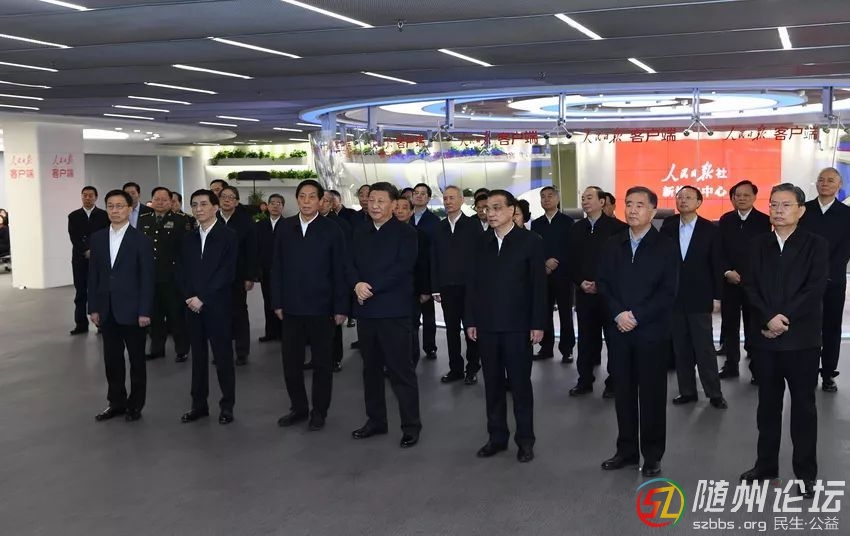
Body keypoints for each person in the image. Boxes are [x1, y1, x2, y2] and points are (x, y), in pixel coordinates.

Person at [739, 183, 828, 499]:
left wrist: (783, 319)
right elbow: (749, 287)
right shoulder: (757, 245)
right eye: (774, 204)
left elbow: (814, 288)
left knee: (803, 408)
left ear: (801, 210)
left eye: (786, 205)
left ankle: (806, 474)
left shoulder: (815, 244)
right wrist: (768, 319)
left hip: (801, 340)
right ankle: (765, 465)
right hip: (765, 339)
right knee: (767, 406)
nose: (778, 210)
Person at [597, 186, 678, 477]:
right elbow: (603, 283)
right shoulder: (613, 243)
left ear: (653, 211)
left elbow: (668, 291)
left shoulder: (666, 246)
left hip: (651, 332)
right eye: (629, 204)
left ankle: (652, 455)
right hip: (619, 331)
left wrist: (637, 315)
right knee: (624, 393)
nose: (632, 210)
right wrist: (619, 313)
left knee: (652, 396)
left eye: (640, 205)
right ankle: (627, 451)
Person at [465, 189, 546, 463]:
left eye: (497, 207)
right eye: (487, 208)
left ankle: (525, 440)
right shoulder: (480, 242)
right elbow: (471, 284)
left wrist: (537, 323)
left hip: (518, 326)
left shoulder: (530, 241)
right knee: (493, 385)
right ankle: (497, 437)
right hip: (486, 325)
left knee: (520, 386)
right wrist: (471, 319)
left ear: (512, 210)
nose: (490, 213)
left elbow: (538, 286)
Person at [272, 180, 349, 431]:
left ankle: (319, 411)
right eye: (302, 196)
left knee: (322, 365)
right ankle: (299, 408)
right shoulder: (285, 227)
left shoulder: (332, 229)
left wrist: (341, 307)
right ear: (297, 199)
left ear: (320, 201)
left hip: (322, 308)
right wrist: (277, 301)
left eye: (312, 197)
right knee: (291, 363)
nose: (306, 201)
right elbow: (276, 267)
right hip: (291, 308)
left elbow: (340, 270)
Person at [350, 182, 421, 449]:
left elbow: (402, 268)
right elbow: (349, 263)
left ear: (393, 204)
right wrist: (356, 283)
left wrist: (371, 288)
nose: (375, 205)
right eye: (371, 200)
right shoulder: (359, 231)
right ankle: (376, 421)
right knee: (370, 370)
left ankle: (411, 426)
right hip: (367, 311)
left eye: (381, 201)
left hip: (394, 311)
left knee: (401, 371)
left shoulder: (406, 233)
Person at [88, 189, 155, 422]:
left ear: (129, 209)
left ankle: (135, 404)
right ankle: (116, 402)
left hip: (134, 311)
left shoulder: (142, 240)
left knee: (136, 360)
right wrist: (93, 307)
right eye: (110, 206)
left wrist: (145, 310)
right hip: (107, 310)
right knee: (112, 360)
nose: (114, 210)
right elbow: (93, 276)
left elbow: (147, 279)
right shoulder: (97, 238)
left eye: (119, 206)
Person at [661, 186, 727, 409]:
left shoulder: (710, 230)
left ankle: (714, 393)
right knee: (680, 347)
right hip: (673, 297)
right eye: (680, 197)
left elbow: (717, 264)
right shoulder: (668, 227)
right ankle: (687, 391)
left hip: (700, 296)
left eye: (688, 197)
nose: (683, 200)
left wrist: (717, 296)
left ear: (699, 202)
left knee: (704, 347)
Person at [179, 189, 238, 425]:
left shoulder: (228, 236)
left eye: (204, 204)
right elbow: (181, 271)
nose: (198, 209)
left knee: (223, 357)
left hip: (217, 305)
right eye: (194, 205)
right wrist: (189, 297)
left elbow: (226, 272)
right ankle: (199, 405)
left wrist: (202, 297)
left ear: (215, 207)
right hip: (192, 306)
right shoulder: (188, 238)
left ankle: (227, 406)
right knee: (198, 358)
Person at [567, 186, 628, 398]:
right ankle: (584, 381)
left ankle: (614, 382)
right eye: (583, 198)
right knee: (585, 340)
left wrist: (601, 284)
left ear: (602, 202)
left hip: (610, 296)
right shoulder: (576, 228)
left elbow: (622, 264)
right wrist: (580, 281)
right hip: (584, 294)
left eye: (589, 197)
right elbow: (570, 260)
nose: (585, 201)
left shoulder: (619, 228)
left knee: (613, 340)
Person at [798, 167, 850, 393]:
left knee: (831, 327)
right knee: (805, 325)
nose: (825, 183)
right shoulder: (803, 210)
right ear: (816, 184)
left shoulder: (847, 214)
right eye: (821, 180)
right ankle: (805, 370)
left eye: (830, 180)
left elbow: (846, 249)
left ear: (839, 185)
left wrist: (826, 272)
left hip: (833, 279)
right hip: (804, 279)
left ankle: (828, 373)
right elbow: (797, 244)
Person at [718, 180, 772, 382]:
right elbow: (719, 250)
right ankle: (731, 364)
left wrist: (750, 276)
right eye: (737, 195)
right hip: (729, 281)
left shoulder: (764, 221)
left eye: (746, 195)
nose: (741, 198)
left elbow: (765, 253)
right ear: (732, 198)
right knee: (729, 325)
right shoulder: (725, 219)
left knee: (754, 325)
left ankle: (756, 368)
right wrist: (727, 271)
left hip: (753, 283)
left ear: (754, 197)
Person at [431, 185, 483, 385]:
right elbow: (433, 259)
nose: (448, 202)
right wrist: (435, 287)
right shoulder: (439, 227)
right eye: (445, 198)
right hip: (446, 287)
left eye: (452, 198)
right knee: (451, 330)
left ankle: (473, 368)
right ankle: (455, 369)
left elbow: (480, 258)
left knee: (471, 328)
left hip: (469, 287)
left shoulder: (473, 225)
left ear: (462, 200)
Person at [138, 187, 192, 363]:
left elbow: (186, 250)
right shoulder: (144, 219)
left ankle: (182, 349)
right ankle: (157, 349)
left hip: (172, 277)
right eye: (156, 199)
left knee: (176, 315)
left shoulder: (180, 220)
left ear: (171, 202)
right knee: (155, 315)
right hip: (151, 277)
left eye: (164, 199)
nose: (160, 202)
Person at [530, 186, 575, 362]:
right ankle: (546, 347)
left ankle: (567, 349)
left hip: (563, 274)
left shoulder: (568, 222)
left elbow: (571, 247)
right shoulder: (536, 223)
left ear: (557, 199)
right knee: (545, 312)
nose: (546, 199)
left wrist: (555, 261)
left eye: (550, 196)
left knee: (565, 314)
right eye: (543, 197)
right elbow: (535, 249)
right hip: (543, 275)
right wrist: (544, 263)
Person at [217, 185, 258, 366]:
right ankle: (221, 351)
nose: (227, 200)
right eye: (223, 197)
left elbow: (252, 251)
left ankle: (242, 351)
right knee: (218, 314)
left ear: (237, 202)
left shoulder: (245, 222)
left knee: (239, 313)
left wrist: (250, 276)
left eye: (231, 197)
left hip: (237, 275)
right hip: (215, 277)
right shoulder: (212, 219)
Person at [394, 196, 432, 366]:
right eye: (397, 207)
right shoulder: (384, 233)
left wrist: (425, 290)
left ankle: (410, 362)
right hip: (390, 291)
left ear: (411, 212)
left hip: (412, 290)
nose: (400, 211)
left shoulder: (419, 235)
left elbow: (424, 264)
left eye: (404, 208)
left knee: (411, 327)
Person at [68, 186, 110, 335]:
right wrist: (85, 250)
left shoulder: (104, 215)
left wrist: (95, 251)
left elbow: (107, 235)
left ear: (96, 197)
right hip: (80, 259)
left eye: (90, 195)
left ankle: (101, 323)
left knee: (100, 290)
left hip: (99, 259)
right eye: (84, 195)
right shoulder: (73, 216)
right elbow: (74, 237)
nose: (87, 198)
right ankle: (80, 324)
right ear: (81, 196)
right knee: (80, 291)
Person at [321, 190, 353, 371]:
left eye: (326, 201)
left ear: (332, 204)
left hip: (334, 281)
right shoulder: (308, 223)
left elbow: (346, 255)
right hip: (313, 283)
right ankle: (318, 358)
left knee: (333, 323)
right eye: (320, 200)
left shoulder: (340, 224)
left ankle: (335, 358)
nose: (322, 204)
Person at [411, 182, 440, 360]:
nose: (419, 196)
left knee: (428, 315)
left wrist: (430, 285)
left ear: (428, 198)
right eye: (416, 192)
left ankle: (430, 347)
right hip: (409, 276)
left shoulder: (434, 221)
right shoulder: (405, 216)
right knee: (411, 317)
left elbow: (434, 254)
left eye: (423, 193)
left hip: (427, 274)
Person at [256, 194, 285, 343]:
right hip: (265, 270)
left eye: (278, 203)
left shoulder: (288, 225)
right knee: (267, 301)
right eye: (272, 203)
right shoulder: (260, 225)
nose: (275, 206)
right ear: (267, 206)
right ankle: (270, 332)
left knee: (282, 301)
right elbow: (256, 248)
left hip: (283, 271)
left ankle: (283, 332)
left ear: (282, 207)